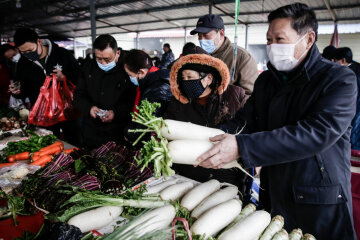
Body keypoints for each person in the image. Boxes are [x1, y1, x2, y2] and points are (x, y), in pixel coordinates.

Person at [196, 3, 357, 239]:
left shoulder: (338, 80)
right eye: (269, 40)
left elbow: (316, 133)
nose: (271, 47)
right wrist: (214, 138)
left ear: (309, 39)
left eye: (280, 39)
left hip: (318, 197)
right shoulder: (267, 82)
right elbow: (246, 120)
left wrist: (242, 146)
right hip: (275, 192)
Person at [164, 51, 251, 201]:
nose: (186, 82)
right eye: (183, 78)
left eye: (190, 77)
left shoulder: (235, 96)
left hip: (227, 176)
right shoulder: (177, 103)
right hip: (190, 176)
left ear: (208, 78)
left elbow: (249, 128)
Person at [12, 28, 80, 145]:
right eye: (23, 52)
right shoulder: (23, 63)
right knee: (48, 144)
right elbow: (23, 88)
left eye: (30, 50)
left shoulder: (62, 54)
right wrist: (17, 91)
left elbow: (79, 76)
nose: (28, 55)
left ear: (38, 42)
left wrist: (64, 77)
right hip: (43, 113)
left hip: (67, 109)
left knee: (75, 140)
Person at [74, 34, 136, 149]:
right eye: (99, 59)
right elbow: (78, 95)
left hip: (118, 131)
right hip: (92, 130)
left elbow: (132, 100)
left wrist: (116, 113)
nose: (103, 63)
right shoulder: (87, 68)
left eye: (107, 59)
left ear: (117, 53)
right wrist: (89, 108)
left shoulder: (127, 69)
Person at [190, 14, 258, 96]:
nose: (201, 40)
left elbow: (249, 95)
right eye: (199, 36)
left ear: (221, 33)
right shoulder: (200, 57)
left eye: (205, 35)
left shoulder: (242, 57)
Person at [123, 49, 172, 143]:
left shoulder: (156, 89)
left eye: (130, 75)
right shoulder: (154, 79)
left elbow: (146, 126)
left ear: (141, 72)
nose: (130, 78)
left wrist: (129, 133)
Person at [334, 47, 360, 151]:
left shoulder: (347, 74)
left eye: (335, 61)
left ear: (343, 60)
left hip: (355, 107)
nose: (333, 63)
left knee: (353, 131)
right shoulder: (356, 67)